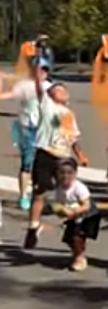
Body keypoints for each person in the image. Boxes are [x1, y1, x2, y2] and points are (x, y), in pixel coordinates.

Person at [23, 59, 88, 250]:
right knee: (40, 193)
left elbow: (74, 137)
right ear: (51, 95)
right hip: (46, 154)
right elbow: (38, 86)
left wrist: (80, 154)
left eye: (63, 89)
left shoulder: (70, 114)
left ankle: (72, 229)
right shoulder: (47, 106)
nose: (62, 91)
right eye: (58, 89)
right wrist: (39, 54)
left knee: (68, 194)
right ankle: (33, 227)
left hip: (63, 157)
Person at [0, 59, 53, 210]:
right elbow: (3, 96)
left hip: (45, 129)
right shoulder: (23, 86)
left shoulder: (51, 87)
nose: (42, 73)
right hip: (26, 128)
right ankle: (24, 196)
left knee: (44, 163)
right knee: (27, 163)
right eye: (38, 69)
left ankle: (39, 194)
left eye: (45, 70)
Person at [53, 159, 98, 272]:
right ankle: (78, 252)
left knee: (77, 237)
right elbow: (59, 204)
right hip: (74, 216)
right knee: (69, 239)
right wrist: (60, 211)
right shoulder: (59, 189)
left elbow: (86, 205)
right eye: (62, 172)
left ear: (75, 174)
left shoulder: (79, 188)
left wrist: (74, 211)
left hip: (88, 215)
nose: (65, 176)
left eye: (69, 173)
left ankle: (80, 258)